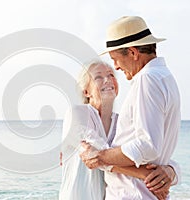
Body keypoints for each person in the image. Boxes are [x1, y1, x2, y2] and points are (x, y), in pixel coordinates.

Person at [80, 16, 181, 199]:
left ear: (133, 53)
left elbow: (147, 146)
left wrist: (100, 157)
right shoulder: (166, 78)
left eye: (115, 59)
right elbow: (158, 146)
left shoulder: (147, 79)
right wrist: (171, 171)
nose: (116, 67)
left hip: (131, 194)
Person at [59, 60, 177, 200]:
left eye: (111, 75)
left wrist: (171, 171)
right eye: (98, 77)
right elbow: (94, 156)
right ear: (86, 91)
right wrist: (148, 177)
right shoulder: (77, 113)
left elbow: (140, 154)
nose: (108, 80)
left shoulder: (121, 122)